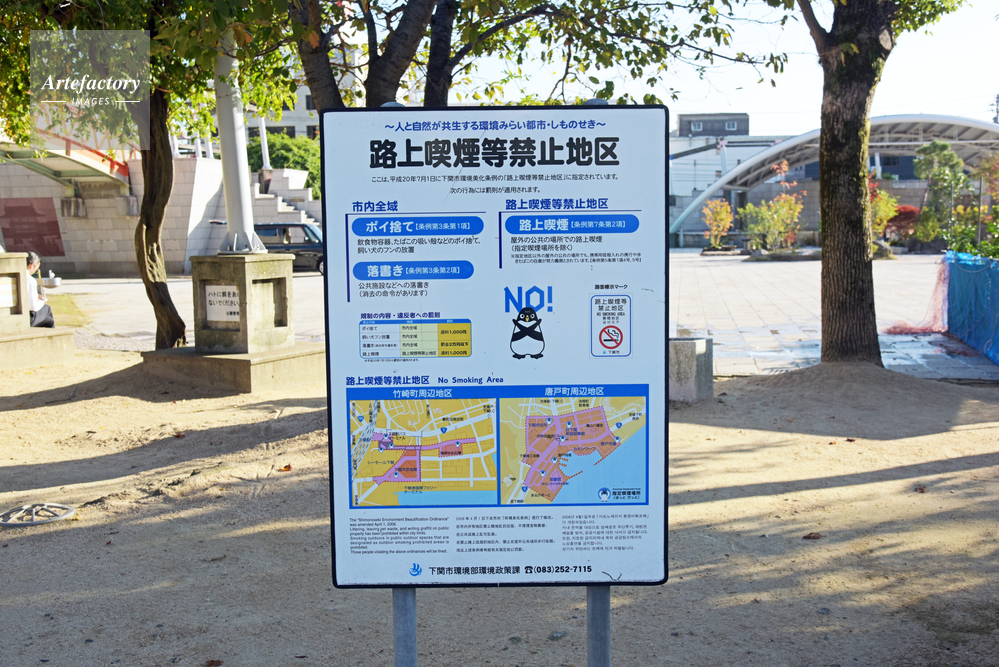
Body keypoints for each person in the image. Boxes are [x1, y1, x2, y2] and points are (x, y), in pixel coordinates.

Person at [26, 251, 54, 328]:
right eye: (36, 268)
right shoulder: (30, 280)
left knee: (49, 320)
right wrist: (42, 302)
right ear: (32, 265)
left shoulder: (16, 276)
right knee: (47, 309)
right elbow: (33, 307)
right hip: (27, 317)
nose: (35, 271)